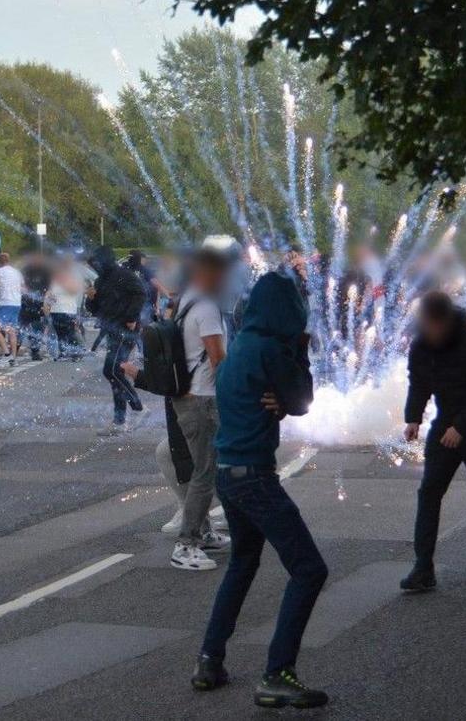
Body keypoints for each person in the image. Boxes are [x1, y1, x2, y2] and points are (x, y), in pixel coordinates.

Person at [193, 272, 329, 709]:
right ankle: (277, 673)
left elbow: (281, 401)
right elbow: (304, 400)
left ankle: (209, 659)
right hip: (255, 475)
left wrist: (281, 400)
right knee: (309, 570)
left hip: (229, 474)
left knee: (243, 563)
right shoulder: (272, 349)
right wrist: (301, 356)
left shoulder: (240, 350)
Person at [399, 291, 466, 592]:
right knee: (429, 492)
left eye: (433, 324)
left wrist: (462, 426)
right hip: (444, 423)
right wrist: (413, 417)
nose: (428, 330)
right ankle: (423, 567)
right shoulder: (421, 345)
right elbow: (418, 382)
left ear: (445, 320)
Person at [168, 247, 233, 572]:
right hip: (202, 399)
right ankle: (186, 544)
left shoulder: (188, 299)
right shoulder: (207, 306)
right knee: (205, 474)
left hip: (188, 396)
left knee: (203, 469)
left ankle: (205, 532)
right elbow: (219, 357)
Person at [86, 246, 148, 436]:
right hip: (112, 328)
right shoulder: (100, 280)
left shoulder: (124, 275)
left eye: (97, 263)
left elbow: (140, 293)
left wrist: (131, 317)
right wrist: (91, 299)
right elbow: (96, 309)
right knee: (114, 373)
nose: (95, 266)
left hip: (125, 327)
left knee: (112, 370)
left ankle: (137, 408)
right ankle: (119, 421)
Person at [47, 262, 86, 360]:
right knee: (64, 333)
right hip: (64, 310)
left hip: (62, 310)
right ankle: (67, 353)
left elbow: (51, 297)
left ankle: (71, 352)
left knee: (66, 333)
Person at [0, 252, 23, 365]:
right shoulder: (17, 272)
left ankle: (7, 354)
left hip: (5, 303)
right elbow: (22, 288)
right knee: (11, 331)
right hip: (16, 303)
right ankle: (13, 358)